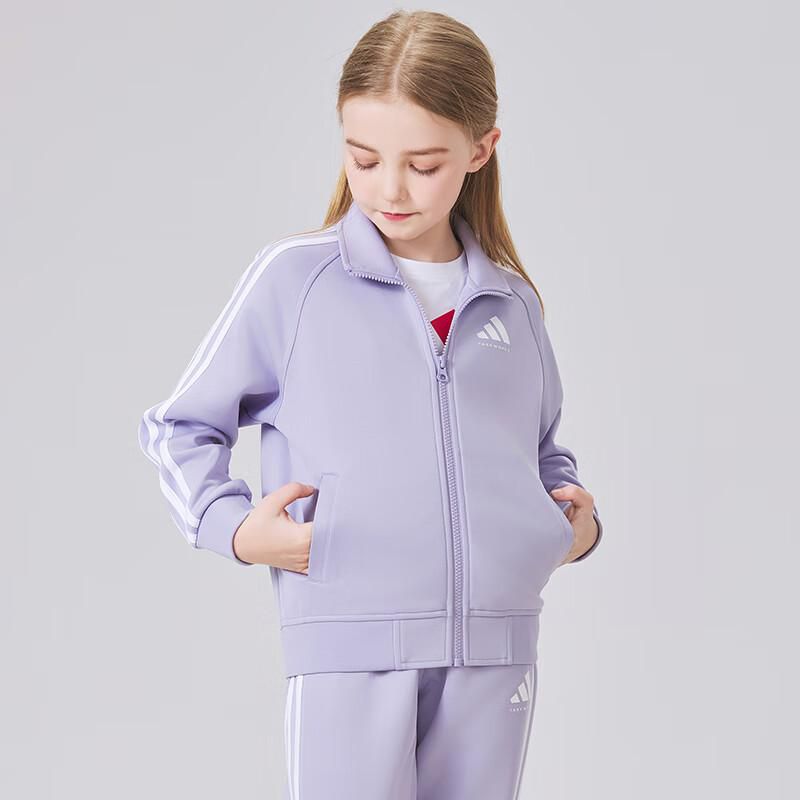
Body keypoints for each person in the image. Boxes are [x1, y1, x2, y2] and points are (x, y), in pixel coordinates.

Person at [137, 9, 603, 799]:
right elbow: (178, 427)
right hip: (348, 644)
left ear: (480, 150)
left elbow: (540, 448)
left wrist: (572, 530)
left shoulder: (511, 302)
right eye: (364, 159)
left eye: (423, 165)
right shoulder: (296, 281)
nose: (390, 188)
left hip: (497, 649)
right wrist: (234, 529)